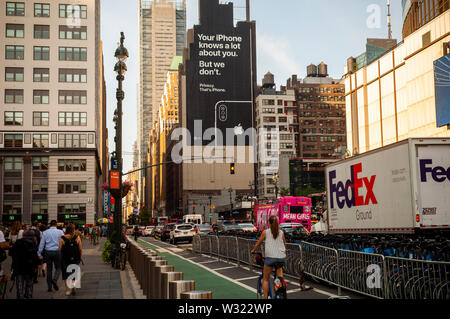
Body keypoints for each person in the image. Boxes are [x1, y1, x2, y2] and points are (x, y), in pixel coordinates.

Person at [251, 215, 287, 299]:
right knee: (279, 273)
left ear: (269, 223)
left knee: (266, 279)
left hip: (270, 258)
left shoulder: (266, 232)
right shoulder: (281, 232)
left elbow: (258, 243)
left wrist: (253, 250)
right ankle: (281, 286)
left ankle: (265, 298)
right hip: (281, 257)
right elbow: (284, 244)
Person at [9, 230, 39, 299]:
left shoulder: (18, 242)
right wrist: (35, 267)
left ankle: (20, 296)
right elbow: (35, 257)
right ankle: (29, 296)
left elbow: (11, 253)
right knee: (29, 284)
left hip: (19, 267)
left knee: (19, 285)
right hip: (30, 267)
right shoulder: (34, 243)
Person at [38, 220, 64, 292]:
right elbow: (63, 242)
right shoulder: (60, 232)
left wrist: (39, 253)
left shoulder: (45, 232)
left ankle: (49, 287)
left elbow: (42, 243)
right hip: (57, 251)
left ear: (50, 225)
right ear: (56, 225)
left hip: (48, 252)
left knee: (49, 270)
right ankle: (55, 279)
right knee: (58, 267)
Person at [59, 224, 82, 296]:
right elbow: (80, 249)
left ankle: (68, 290)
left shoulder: (62, 238)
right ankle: (74, 285)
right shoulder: (77, 237)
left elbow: (59, 249)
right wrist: (80, 257)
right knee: (74, 272)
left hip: (65, 258)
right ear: (73, 229)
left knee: (65, 274)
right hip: (74, 258)